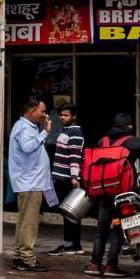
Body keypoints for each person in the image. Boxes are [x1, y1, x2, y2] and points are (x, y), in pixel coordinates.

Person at [85, 113, 140, 278]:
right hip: (124, 193)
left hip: (104, 191)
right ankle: (111, 266)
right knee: (118, 229)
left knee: (101, 229)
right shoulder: (136, 142)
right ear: (130, 126)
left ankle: (94, 264)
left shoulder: (102, 141)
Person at [9, 97, 54, 272]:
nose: (44, 115)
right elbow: (28, 147)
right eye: (42, 111)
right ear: (31, 110)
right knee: (29, 222)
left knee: (24, 221)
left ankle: (20, 256)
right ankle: (27, 259)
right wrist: (45, 133)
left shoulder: (26, 127)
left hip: (30, 182)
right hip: (30, 183)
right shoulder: (25, 128)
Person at [48, 104, 85, 255]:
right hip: (62, 178)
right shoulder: (67, 131)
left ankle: (70, 244)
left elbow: (74, 157)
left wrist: (74, 177)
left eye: (66, 115)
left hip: (68, 180)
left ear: (74, 116)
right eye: (61, 115)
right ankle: (73, 244)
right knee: (69, 212)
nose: (63, 118)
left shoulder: (75, 133)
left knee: (69, 212)